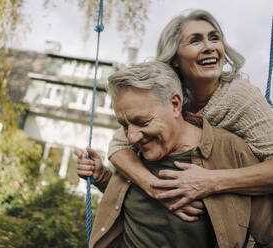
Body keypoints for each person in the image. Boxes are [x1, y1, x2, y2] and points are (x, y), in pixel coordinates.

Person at [75, 61, 273, 248]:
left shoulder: (232, 152)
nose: (132, 136)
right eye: (124, 126)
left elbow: (268, 235)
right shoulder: (132, 154)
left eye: (142, 122)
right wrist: (102, 178)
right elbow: (138, 206)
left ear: (175, 104)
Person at [107, 9, 273, 217]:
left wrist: (211, 181)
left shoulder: (241, 97)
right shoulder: (165, 95)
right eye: (195, 41)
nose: (209, 47)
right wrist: (153, 186)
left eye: (214, 38)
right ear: (175, 57)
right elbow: (118, 145)